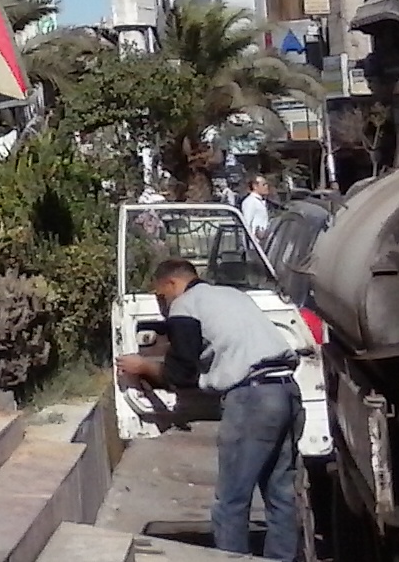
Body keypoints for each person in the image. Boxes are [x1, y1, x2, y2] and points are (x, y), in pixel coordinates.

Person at [115, 258, 303, 562]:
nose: (162, 306)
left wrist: (145, 366)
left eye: (160, 297)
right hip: (287, 391)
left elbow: (182, 372)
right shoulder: (231, 296)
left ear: (172, 285)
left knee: (231, 502)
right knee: (280, 495)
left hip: (252, 400)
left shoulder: (185, 304)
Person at [241, 175, 273, 246]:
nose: (266, 187)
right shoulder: (250, 201)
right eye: (264, 184)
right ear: (255, 186)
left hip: (263, 242)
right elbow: (247, 223)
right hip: (255, 244)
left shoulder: (260, 201)